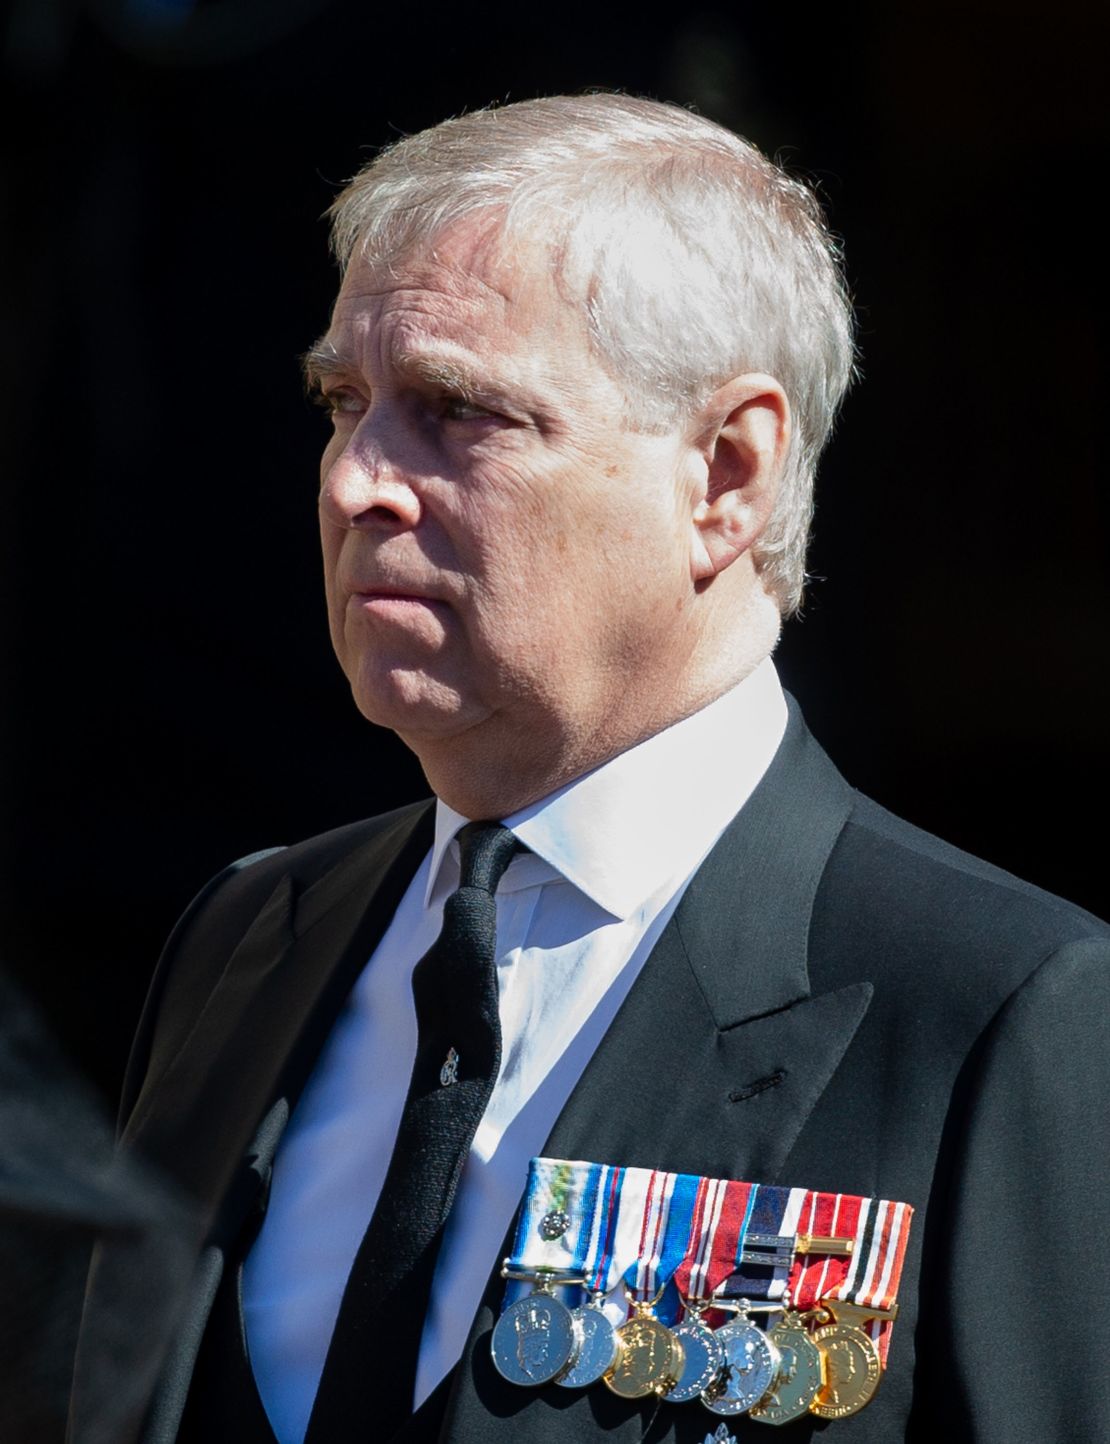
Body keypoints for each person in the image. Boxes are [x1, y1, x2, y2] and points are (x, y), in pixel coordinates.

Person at [70, 94, 1109, 1444]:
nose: (354, 484)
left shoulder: (989, 1008)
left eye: (456, 412)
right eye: (345, 403)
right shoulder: (251, 937)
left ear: (726, 474)